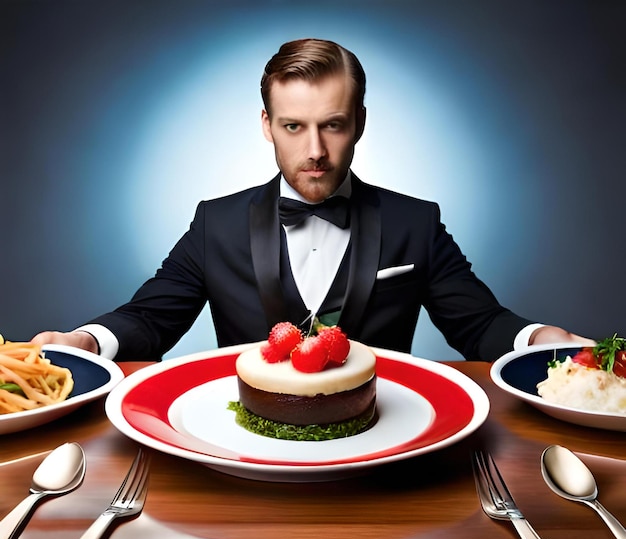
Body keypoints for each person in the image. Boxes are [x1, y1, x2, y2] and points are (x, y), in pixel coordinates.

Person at [32, 38, 591, 361]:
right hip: (244, 446)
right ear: (267, 125)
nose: (316, 150)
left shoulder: (415, 223)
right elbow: (151, 320)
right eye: (294, 126)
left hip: (384, 446)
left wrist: (540, 338)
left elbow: (478, 324)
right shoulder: (215, 222)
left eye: (334, 125)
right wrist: (85, 339)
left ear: (361, 124)